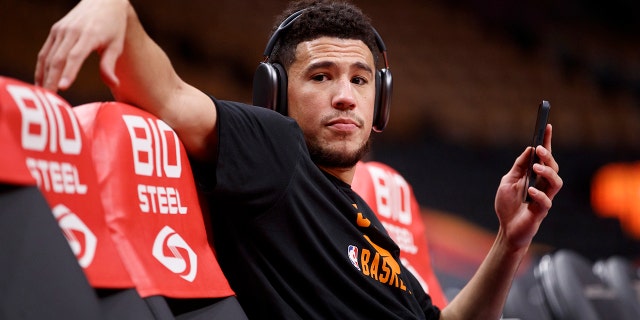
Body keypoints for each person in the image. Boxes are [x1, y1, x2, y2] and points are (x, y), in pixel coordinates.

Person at [35, 0, 563, 319]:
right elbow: (170, 95)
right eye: (320, 76)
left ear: (380, 99)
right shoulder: (275, 153)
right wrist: (115, 10)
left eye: (359, 79)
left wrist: (509, 239)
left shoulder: (367, 223)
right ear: (274, 95)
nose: (344, 96)